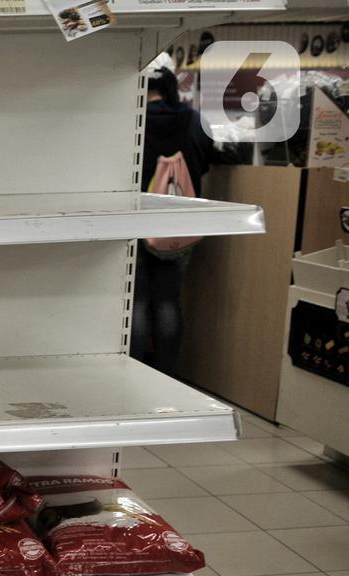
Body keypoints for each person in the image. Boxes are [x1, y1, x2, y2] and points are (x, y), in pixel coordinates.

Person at [131, 53, 214, 375]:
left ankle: (134, 373)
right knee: (167, 301)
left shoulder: (132, 119)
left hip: (135, 219)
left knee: (135, 303)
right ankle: (167, 375)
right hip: (180, 221)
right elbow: (204, 160)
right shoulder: (193, 119)